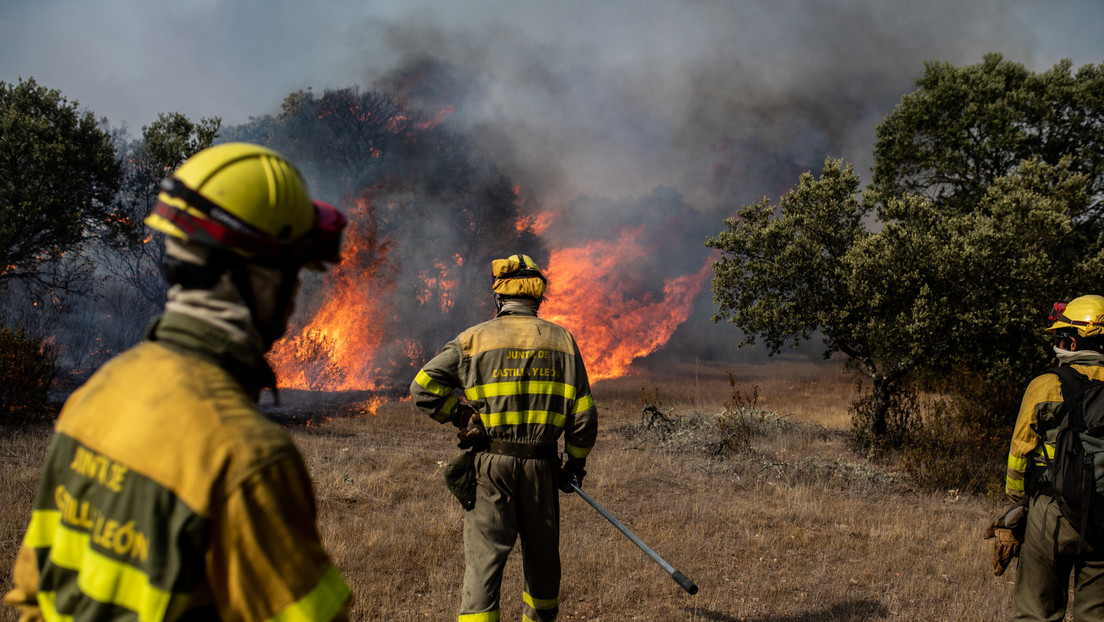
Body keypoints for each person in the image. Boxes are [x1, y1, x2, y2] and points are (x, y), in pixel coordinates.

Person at [4, 143, 353, 621]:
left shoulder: (97, 394)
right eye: (292, 272)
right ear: (256, 277)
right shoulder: (246, 457)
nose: (295, 294)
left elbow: (33, 594)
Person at [410, 253, 598, 622]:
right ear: (538, 300)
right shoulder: (563, 341)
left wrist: (462, 414)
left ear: (499, 299)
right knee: (543, 564)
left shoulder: (474, 339)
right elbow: (584, 416)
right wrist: (574, 464)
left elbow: (423, 387)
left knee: (484, 563)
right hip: (543, 468)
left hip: (490, 466)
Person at [998, 294, 1104, 620]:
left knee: (1035, 612)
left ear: (1073, 340)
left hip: (1051, 514)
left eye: (1061, 335)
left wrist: (1018, 505)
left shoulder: (1045, 385)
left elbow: (1020, 454)